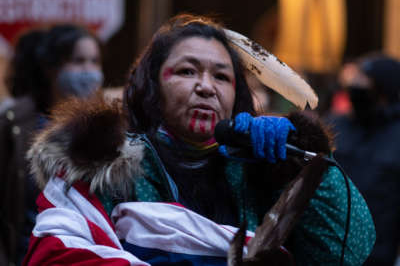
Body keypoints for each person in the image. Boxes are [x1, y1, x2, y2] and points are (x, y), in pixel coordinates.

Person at [23, 14, 375, 265]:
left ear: (236, 94)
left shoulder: (261, 170)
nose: (206, 86)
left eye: (221, 76)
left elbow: (348, 250)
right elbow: (57, 254)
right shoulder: (104, 165)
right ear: (152, 86)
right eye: (187, 71)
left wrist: (302, 161)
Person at [0, 24, 104, 265]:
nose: (89, 71)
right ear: (51, 68)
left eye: (95, 61)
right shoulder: (14, 126)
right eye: (78, 61)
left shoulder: (108, 128)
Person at [327, 54, 400, 266]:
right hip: (325, 250)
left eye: (364, 81)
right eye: (355, 80)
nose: (355, 87)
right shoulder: (334, 125)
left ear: (383, 91)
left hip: (377, 256)